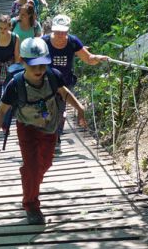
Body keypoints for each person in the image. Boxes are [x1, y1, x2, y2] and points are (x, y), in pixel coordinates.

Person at [0, 38, 87, 225]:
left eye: (42, 65)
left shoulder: (53, 75)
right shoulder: (15, 85)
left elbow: (64, 92)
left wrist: (79, 108)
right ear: (23, 61)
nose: (39, 70)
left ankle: (30, 179)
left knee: (44, 165)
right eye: (34, 67)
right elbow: (1, 111)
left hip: (50, 126)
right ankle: (31, 205)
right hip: (27, 128)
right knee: (32, 168)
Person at [42, 14, 113, 149]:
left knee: (59, 109)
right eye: (57, 32)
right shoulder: (44, 42)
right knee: (48, 110)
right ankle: (50, 137)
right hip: (46, 83)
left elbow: (88, 58)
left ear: (68, 31)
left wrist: (98, 58)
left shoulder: (73, 42)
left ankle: (55, 140)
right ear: (53, 30)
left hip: (65, 83)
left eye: (63, 32)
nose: (60, 35)